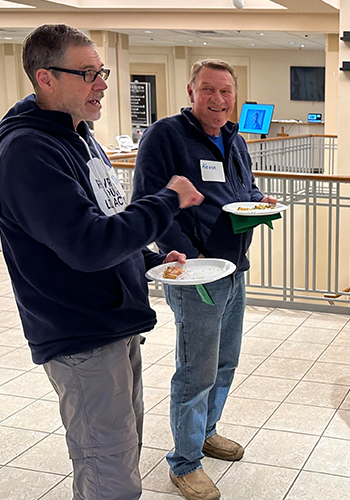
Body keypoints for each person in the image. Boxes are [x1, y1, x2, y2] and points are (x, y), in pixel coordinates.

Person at [0, 24, 204, 500]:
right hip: (80, 332)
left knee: (119, 452)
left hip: (114, 321)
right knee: (107, 469)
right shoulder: (28, 152)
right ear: (45, 77)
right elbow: (88, 245)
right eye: (88, 73)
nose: (103, 83)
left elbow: (103, 218)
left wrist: (149, 258)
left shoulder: (79, 135)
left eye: (102, 71)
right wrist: (165, 202)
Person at [132, 59, 277, 500]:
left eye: (226, 91)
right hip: (196, 272)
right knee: (196, 371)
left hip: (234, 269)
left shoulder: (234, 139)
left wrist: (261, 201)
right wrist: (188, 255)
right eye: (209, 90)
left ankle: (206, 432)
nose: (218, 100)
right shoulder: (166, 136)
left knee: (225, 363)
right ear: (191, 91)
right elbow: (149, 202)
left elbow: (241, 191)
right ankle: (184, 462)